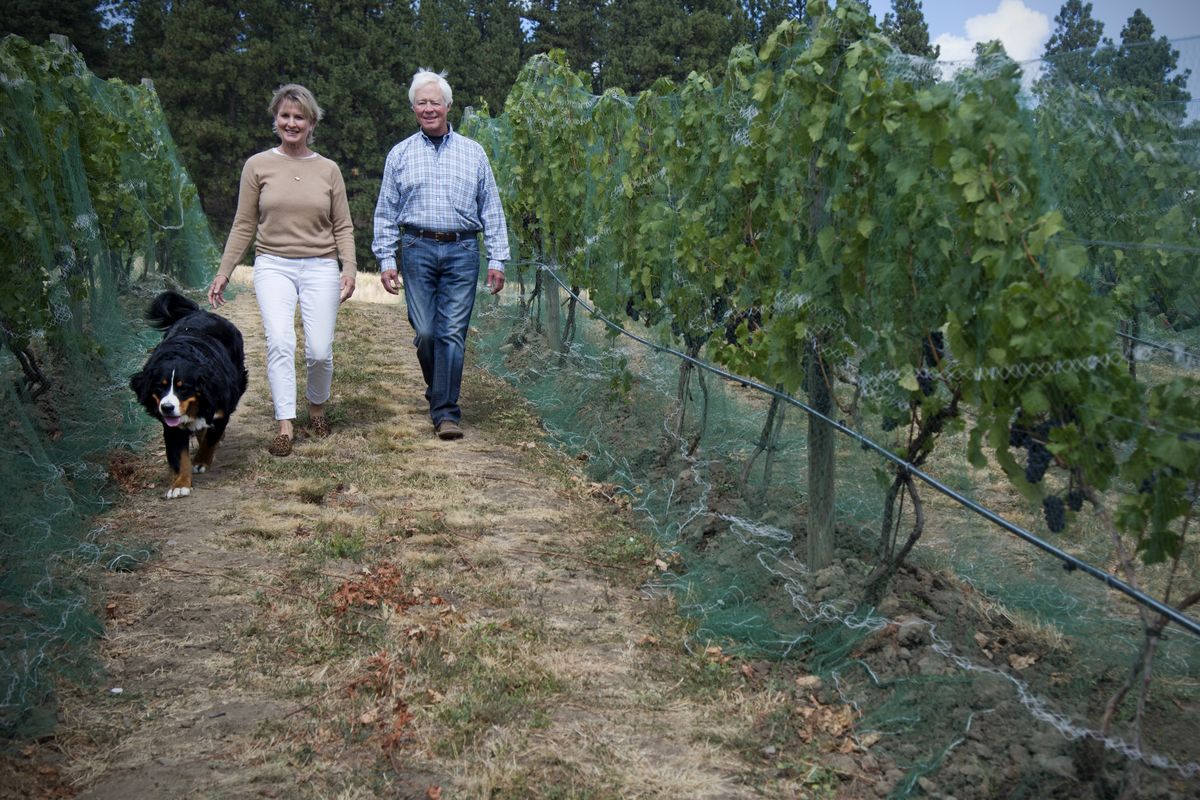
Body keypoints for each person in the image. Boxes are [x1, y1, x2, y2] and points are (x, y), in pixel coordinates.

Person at [208, 83, 356, 457]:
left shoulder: (329, 170)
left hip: (321, 265)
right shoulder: (257, 166)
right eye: (285, 116)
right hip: (273, 264)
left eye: (299, 117)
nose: (292, 123)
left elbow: (343, 226)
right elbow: (244, 223)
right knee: (280, 342)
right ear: (276, 119)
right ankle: (285, 424)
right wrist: (225, 271)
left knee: (320, 350)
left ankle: (317, 408)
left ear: (311, 123)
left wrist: (349, 267)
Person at [372, 68, 509, 441]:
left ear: (448, 106)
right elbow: (385, 211)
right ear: (414, 108)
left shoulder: (473, 153)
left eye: (435, 102)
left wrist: (497, 259)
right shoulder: (399, 154)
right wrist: (386, 260)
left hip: (463, 249)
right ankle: (440, 390)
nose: (428, 108)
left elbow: (491, 208)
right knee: (427, 333)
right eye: (421, 103)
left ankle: (446, 412)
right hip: (416, 248)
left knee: (452, 332)